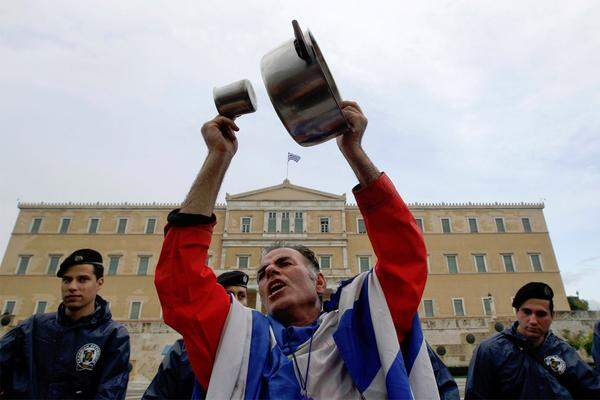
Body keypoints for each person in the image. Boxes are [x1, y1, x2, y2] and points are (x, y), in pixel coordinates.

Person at [154, 101, 440, 398]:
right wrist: (217, 157)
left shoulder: (362, 325)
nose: (271, 272)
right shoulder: (239, 341)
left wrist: (355, 153)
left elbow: (404, 256)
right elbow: (180, 283)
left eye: (284, 263)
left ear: (319, 281)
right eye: (262, 273)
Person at [0, 249, 130, 399]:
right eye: (67, 280)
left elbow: (109, 393)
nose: (72, 287)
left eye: (82, 279)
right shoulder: (33, 326)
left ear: (99, 282)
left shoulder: (114, 335)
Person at [465, 282, 600, 399]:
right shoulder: (489, 351)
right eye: (527, 312)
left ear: (552, 316)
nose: (533, 321)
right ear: (517, 312)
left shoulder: (563, 350)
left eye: (541, 314)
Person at [142, 271, 249, 400]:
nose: (235, 301)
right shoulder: (182, 349)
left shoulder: (255, 345)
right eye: (228, 295)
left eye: (241, 296)